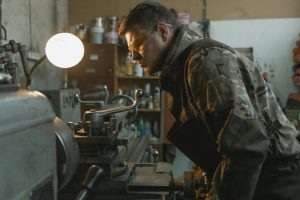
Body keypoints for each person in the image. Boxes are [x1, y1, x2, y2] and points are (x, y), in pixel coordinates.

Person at [118, 1, 300, 199]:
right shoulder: (184, 68)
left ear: (162, 31)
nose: (134, 56)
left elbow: (247, 147)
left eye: (138, 45)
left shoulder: (204, 61)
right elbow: (216, 139)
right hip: (258, 175)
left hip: (274, 178)